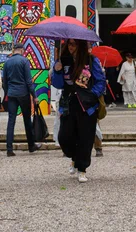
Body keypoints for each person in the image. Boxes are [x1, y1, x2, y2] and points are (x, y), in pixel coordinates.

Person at [52, 38, 107, 183]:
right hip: (68, 103)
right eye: (69, 44)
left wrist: (92, 95)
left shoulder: (91, 60)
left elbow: (100, 81)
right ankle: (74, 157)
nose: (71, 47)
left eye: (74, 44)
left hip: (87, 105)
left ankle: (82, 168)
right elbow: (58, 84)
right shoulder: (62, 60)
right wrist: (57, 71)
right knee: (64, 137)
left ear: (80, 45)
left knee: (85, 138)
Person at [3, 42, 39, 157]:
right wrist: (34, 96)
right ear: (22, 50)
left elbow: (5, 81)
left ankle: (9, 149)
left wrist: (8, 92)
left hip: (12, 94)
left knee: (11, 120)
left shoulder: (7, 62)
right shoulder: (24, 61)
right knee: (27, 120)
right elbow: (29, 81)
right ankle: (31, 146)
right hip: (23, 94)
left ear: (14, 50)